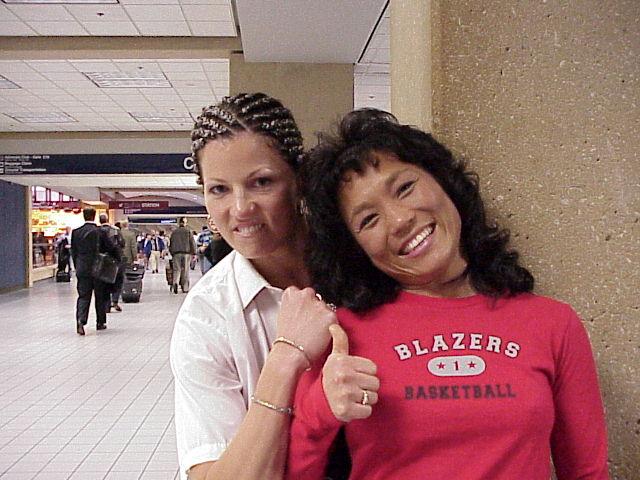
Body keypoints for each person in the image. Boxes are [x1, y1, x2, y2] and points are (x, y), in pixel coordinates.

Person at [286, 109, 610, 479]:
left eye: (405, 188)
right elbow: (294, 472)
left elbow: (588, 472)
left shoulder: (553, 323)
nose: (400, 219)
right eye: (368, 220)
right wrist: (321, 408)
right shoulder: (341, 336)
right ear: (354, 248)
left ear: (445, 183)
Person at [169, 93, 340, 480]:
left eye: (261, 182)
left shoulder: (363, 265)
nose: (240, 208)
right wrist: (286, 358)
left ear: (299, 180)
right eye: (219, 189)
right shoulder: (208, 317)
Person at [71, 208, 118, 335]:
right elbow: (111, 248)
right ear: (94, 216)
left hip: (82, 269)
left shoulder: (76, 232)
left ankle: (81, 321)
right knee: (100, 296)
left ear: (84, 216)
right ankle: (100, 322)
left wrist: (77, 266)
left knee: (83, 296)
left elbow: (73, 252)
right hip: (98, 269)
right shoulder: (100, 232)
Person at [99, 214, 124, 315]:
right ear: (107, 219)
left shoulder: (97, 231)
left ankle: (106, 305)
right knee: (118, 280)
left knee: (104, 283)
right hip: (114, 259)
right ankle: (115, 300)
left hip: (101, 261)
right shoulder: (115, 230)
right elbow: (122, 243)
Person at [169, 218, 196, 293]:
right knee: (186, 270)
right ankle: (185, 288)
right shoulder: (188, 231)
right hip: (186, 253)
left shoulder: (174, 232)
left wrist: (172, 252)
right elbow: (192, 243)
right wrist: (194, 253)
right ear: (184, 223)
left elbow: (171, 243)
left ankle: (175, 283)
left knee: (176, 269)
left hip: (176, 253)